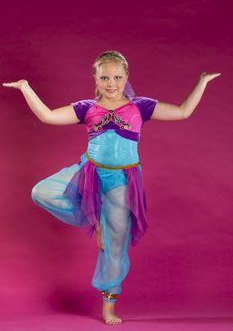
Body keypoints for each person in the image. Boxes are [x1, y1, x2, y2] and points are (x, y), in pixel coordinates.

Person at [2, 50, 221, 325]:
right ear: (95, 78)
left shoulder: (141, 106)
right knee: (40, 192)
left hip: (121, 182)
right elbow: (47, 116)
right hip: (89, 173)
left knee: (115, 248)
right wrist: (25, 87)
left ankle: (108, 308)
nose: (111, 83)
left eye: (117, 77)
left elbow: (182, 112)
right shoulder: (86, 108)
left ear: (126, 77)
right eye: (105, 77)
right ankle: (96, 219)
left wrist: (201, 81)